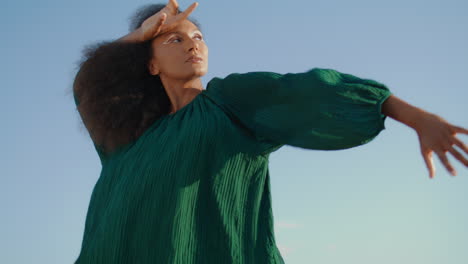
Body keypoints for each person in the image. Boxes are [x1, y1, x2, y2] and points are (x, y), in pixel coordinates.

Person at [72, 1, 468, 263]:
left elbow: (309, 90)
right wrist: (138, 37)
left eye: (197, 37)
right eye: (174, 39)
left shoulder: (229, 101)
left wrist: (414, 116)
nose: (193, 45)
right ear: (151, 65)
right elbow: (89, 85)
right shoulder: (126, 139)